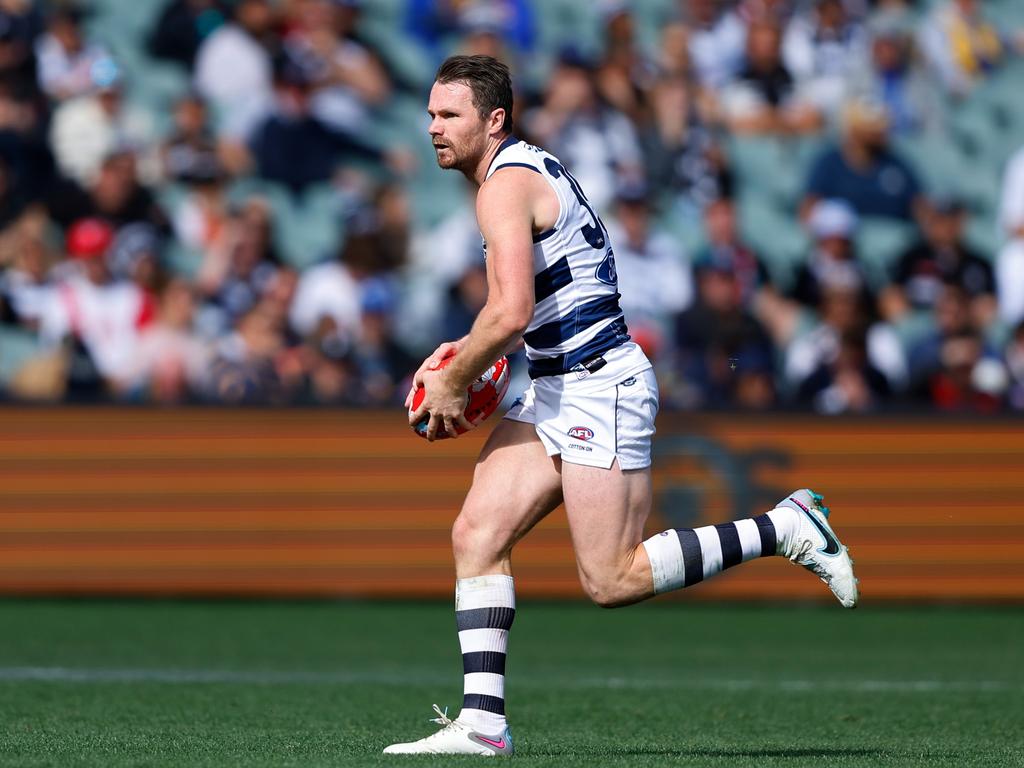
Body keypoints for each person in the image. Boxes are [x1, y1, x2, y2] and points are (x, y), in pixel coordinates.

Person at [388, 55, 858, 758]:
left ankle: (785, 526)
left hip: (597, 384)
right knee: (476, 534)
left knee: (610, 578)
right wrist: (468, 351)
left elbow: (512, 312)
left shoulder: (503, 186)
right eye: (429, 113)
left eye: (448, 114)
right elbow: (521, 309)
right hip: (559, 381)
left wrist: (458, 377)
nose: (433, 127)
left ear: (494, 120)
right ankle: (483, 726)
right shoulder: (512, 173)